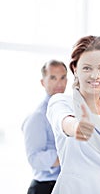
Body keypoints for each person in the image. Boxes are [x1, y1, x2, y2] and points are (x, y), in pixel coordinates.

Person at [46, 36, 100, 194]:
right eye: (87, 68)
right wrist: (75, 127)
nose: (95, 76)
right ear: (75, 69)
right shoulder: (62, 102)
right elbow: (63, 120)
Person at [22, 60, 68, 194]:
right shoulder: (38, 116)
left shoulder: (69, 111)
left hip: (64, 186)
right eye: (53, 78)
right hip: (44, 188)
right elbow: (35, 158)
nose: (59, 83)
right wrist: (68, 155)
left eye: (63, 77)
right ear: (43, 82)